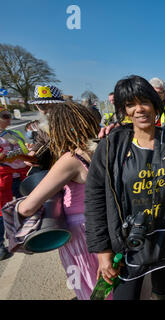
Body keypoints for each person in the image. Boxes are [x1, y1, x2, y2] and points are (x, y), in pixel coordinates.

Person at [84, 75, 165, 300]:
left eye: (144, 101)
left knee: (162, 289)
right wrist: (103, 252)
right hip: (127, 245)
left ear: (155, 104)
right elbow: (95, 198)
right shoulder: (111, 145)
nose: (139, 109)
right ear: (124, 110)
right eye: (130, 104)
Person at [16, 101, 101, 299]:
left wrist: (16, 207)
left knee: (88, 286)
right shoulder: (102, 149)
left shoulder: (71, 159)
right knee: (109, 281)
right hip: (104, 225)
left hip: (80, 234)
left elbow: (28, 207)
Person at [0, 106, 29, 260]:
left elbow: (24, 150)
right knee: (1, 211)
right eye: (5, 116)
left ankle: (21, 236)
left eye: (9, 115)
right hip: (3, 177)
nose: (9, 118)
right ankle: (0, 246)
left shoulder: (14, 133)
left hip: (19, 175)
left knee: (22, 206)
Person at [26, 85, 66, 173]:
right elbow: (40, 141)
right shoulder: (41, 123)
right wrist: (32, 152)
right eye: (42, 106)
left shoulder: (72, 121)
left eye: (53, 106)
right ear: (36, 106)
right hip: (51, 168)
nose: (49, 110)